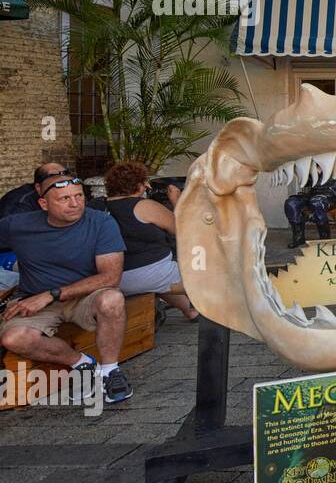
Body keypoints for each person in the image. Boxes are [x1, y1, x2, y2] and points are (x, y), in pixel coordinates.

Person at [0, 172, 133, 403]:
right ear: (43, 204)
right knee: (13, 338)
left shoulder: (101, 222)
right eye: (64, 199)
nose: (75, 204)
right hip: (36, 300)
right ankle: (83, 364)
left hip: (85, 297)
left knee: (112, 299)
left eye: (79, 196)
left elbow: (110, 277)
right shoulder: (17, 225)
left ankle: (111, 371)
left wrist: (51, 295)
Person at [103, 161, 199, 322]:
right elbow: (184, 231)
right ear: (139, 185)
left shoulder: (97, 205)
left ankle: (191, 311)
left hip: (114, 276)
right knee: (209, 273)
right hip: (149, 272)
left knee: (158, 279)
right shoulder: (144, 206)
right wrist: (177, 200)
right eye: (145, 181)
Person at [284, 159, 336, 247]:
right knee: (291, 203)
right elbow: (306, 184)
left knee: (317, 202)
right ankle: (299, 238)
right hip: (313, 194)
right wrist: (309, 173)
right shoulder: (318, 163)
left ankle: (324, 240)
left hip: (331, 197)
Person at [0, 162, 74, 220]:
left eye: (66, 181)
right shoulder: (19, 205)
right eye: (57, 184)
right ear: (38, 187)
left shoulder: (72, 194)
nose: (64, 187)